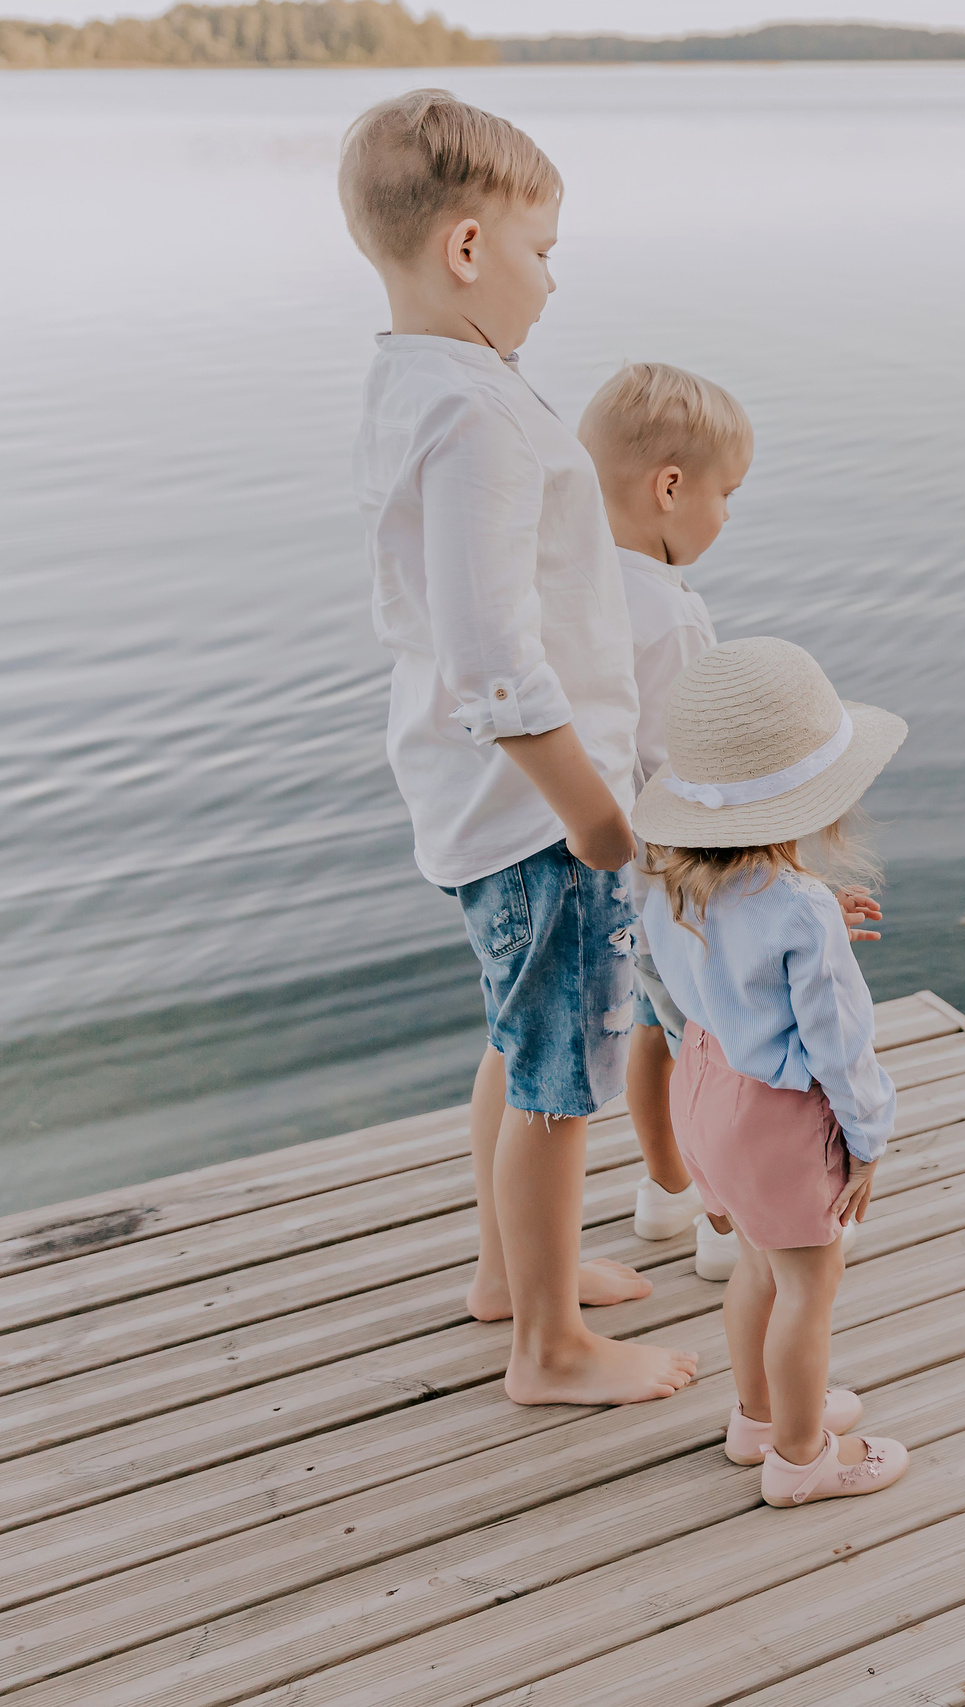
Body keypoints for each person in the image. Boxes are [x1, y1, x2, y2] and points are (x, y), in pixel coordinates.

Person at [342, 89, 696, 1406]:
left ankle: (511, 1268)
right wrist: (595, 812)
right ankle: (547, 1342)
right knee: (557, 1074)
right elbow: (496, 653)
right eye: (544, 250)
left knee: (513, 1034)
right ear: (471, 248)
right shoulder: (478, 414)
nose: (555, 280)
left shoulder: (422, 379)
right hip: (533, 804)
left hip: (474, 788)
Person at [633, 637, 909, 1505]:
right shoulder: (800, 908)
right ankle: (802, 1457)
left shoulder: (664, 882)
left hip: (705, 1092)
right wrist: (866, 1138)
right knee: (808, 1289)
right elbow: (837, 1041)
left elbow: (671, 981)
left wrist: (820, 908)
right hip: (779, 1118)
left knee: (756, 1264)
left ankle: (757, 1418)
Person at [575, 361, 747, 1275]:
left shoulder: (581, 582)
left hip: (618, 877)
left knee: (655, 1024)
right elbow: (694, 769)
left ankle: (664, 1191)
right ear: (671, 487)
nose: (727, 515)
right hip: (682, 876)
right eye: (726, 494)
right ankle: (726, 1225)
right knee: (711, 1047)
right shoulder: (668, 614)